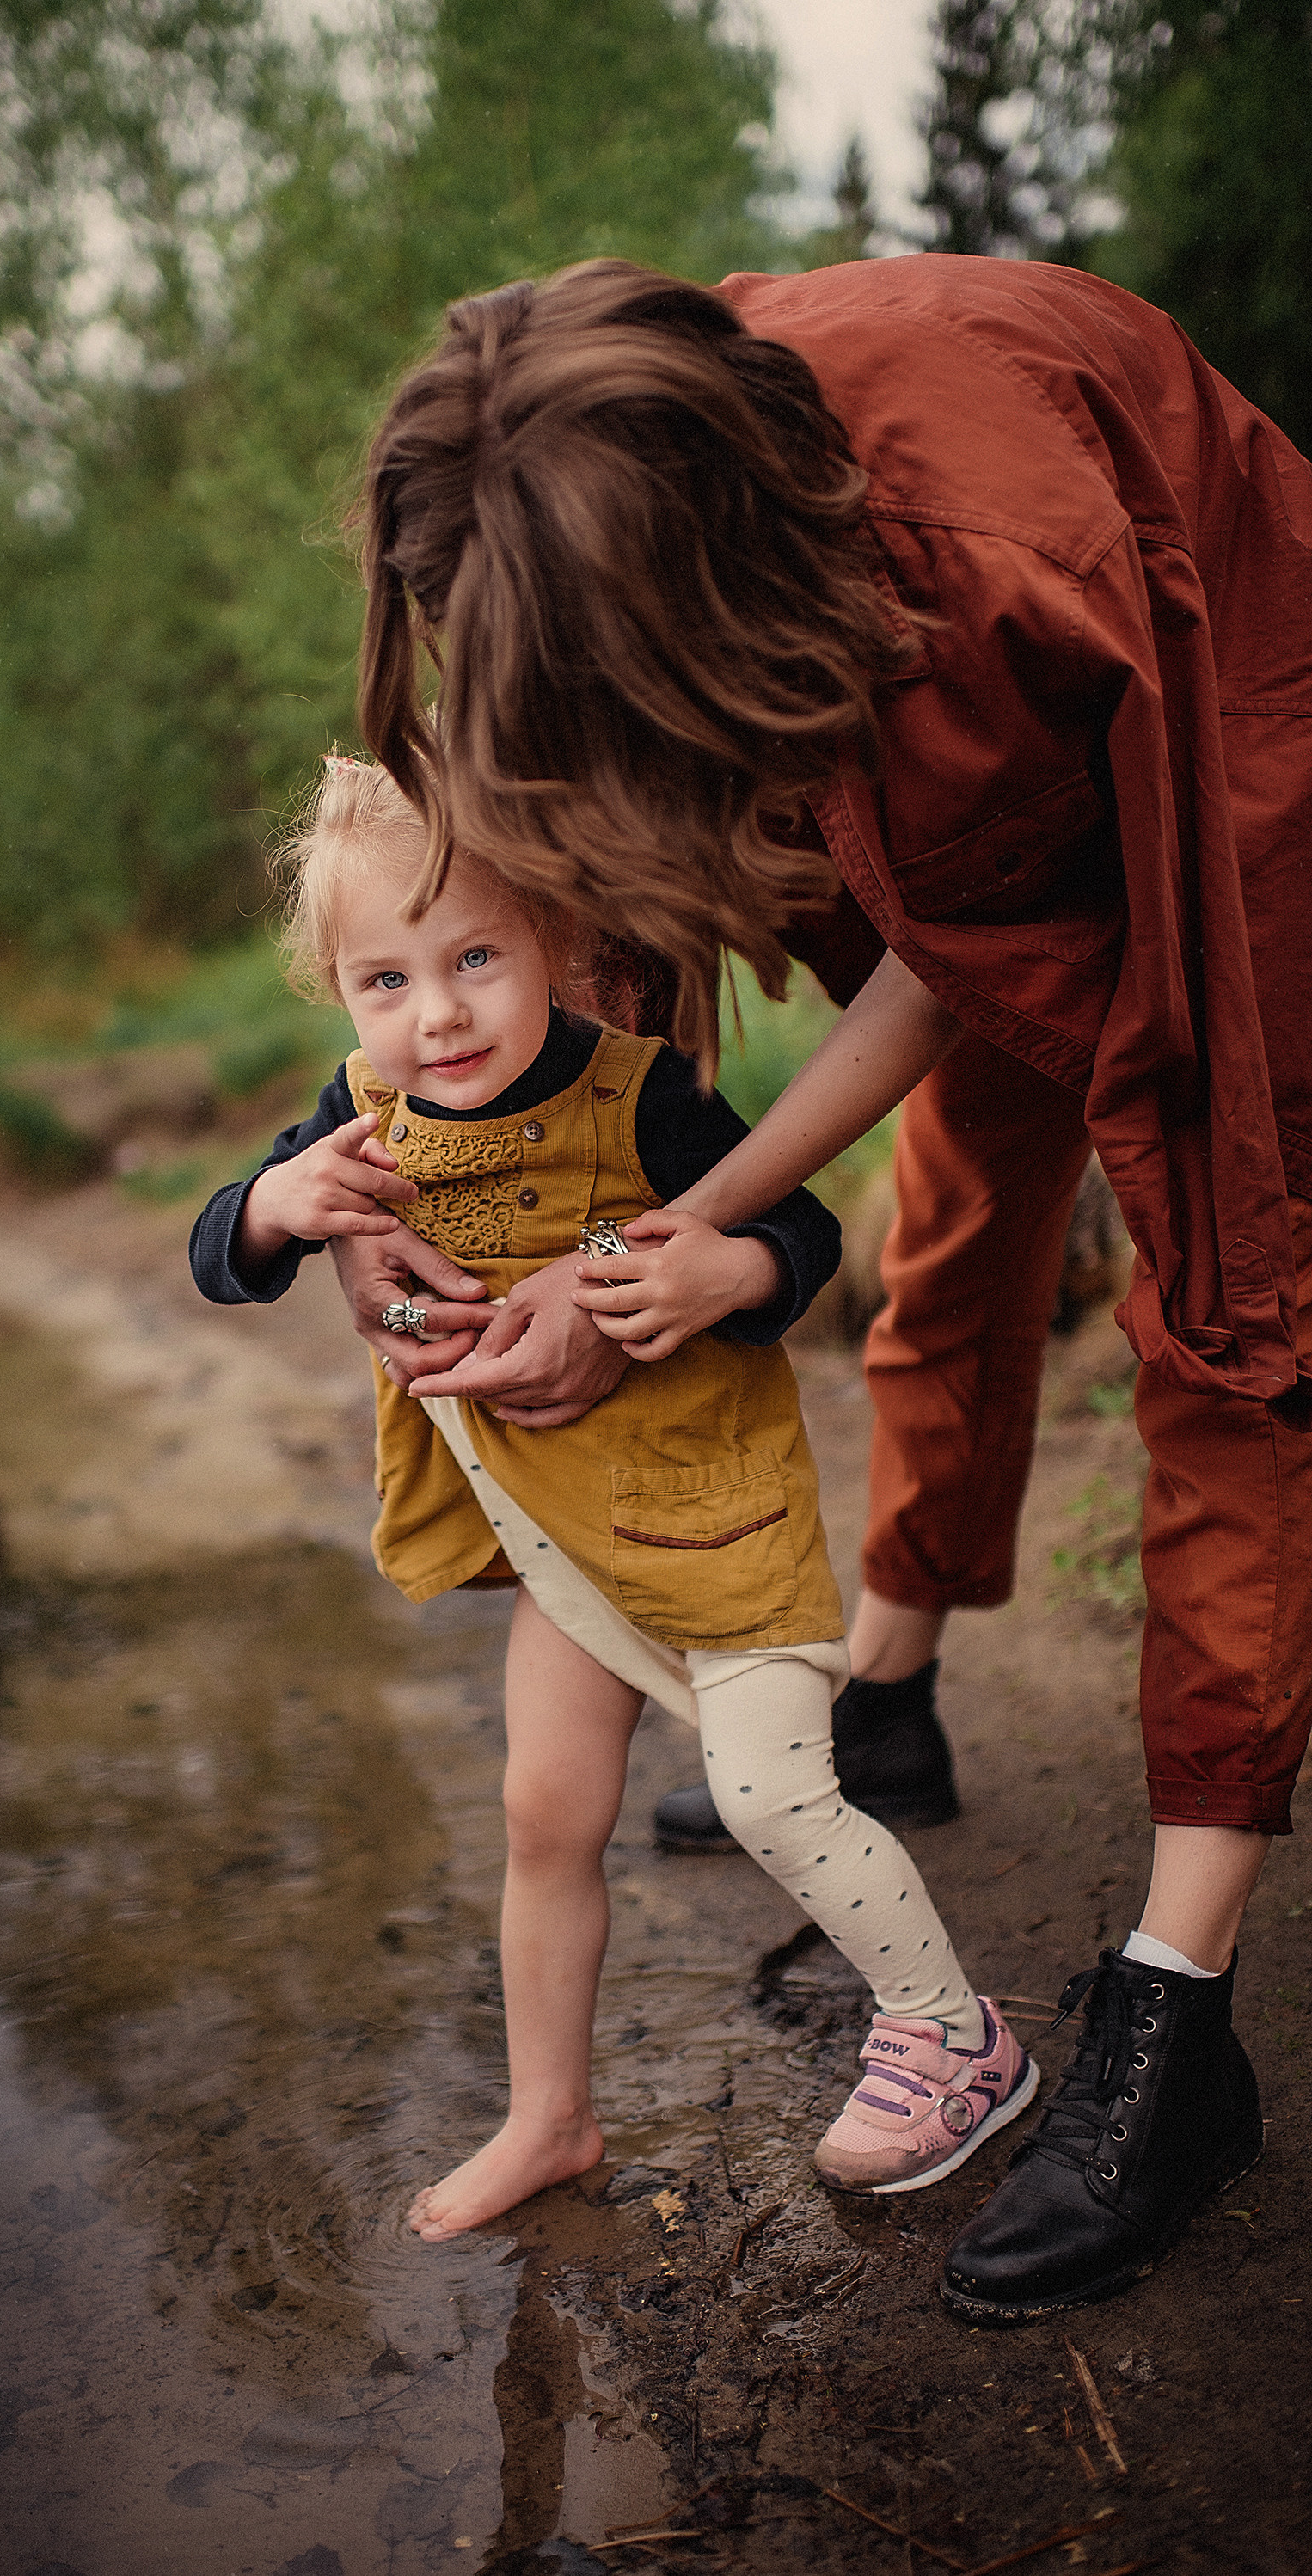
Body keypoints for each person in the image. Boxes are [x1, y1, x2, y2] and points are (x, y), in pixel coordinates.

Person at [334, 253, 1308, 2323]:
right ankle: (889, 1695)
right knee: (956, 1231)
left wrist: (715, 1222)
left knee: (1224, 1314)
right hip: (965, 763)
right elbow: (790, 935)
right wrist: (519, 1225)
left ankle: (1176, 2011)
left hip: (1240, 750)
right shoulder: (600, 450)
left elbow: (959, 946)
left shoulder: (985, 563)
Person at [188, 756, 1037, 2238]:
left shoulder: (644, 1100)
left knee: (780, 1795)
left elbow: (801, 1234)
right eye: (383, 978)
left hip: (713, 1525)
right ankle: (550, 2115)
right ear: (333, 986)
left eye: (474, 960)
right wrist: (274, 1209)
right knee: (544, 1815)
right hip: (561, 1547)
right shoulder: (363, 1112)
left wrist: (730, 1266)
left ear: (558, 948)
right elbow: (224, 1243)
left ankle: (955, 2036)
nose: (436, 1015)